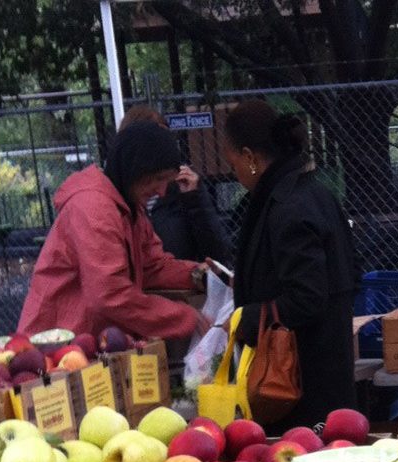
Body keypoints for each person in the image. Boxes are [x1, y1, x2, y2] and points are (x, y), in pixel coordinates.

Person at [223, 100, 357, 431]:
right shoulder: (312, 194)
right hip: (326, 374)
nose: (235, 173)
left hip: (300, 386)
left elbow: (307, 296)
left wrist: (247, 317)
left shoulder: (287, 207)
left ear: (250, 157)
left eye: (233, 163)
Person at [18, 121, 209, 340]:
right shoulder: (94, 208)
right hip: (54, 348)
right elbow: (109, 294)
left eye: (166, 182)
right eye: (157, 179)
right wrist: (185, 318)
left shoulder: (129, 206)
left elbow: (152, 266)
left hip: (88, 343)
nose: (162, 191)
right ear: (134, 169)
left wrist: (201, 274)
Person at [118, 105, 232, 264]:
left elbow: (220, 255)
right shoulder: (116, 198)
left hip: (180, 283)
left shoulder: (183, 187)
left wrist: (195, 200)